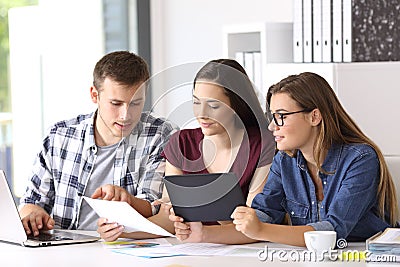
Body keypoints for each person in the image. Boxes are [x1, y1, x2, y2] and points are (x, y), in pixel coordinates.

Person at [96, 59, 276, 242]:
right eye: (196, 103)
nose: (201, 114)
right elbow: (169, 217)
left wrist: (207, 226)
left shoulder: (264, 144)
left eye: (213, 106)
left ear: (237, 105)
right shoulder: (181, 143)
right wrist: (121, 231)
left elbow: (253, 223)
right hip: (193, 251)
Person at [227, 72, 398, 247]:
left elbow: (332, 231)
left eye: (281, 116)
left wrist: (261, 230)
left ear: (314, 117)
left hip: (365, 258)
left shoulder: (360, 159)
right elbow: (263, 215)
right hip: (312, 258)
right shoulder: (284, 161)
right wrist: (202, 233)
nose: (272, 126)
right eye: (272, 116)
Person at [19, 51, 178, 236]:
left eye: (135, 103)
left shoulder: (161, 135)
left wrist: (127, 202)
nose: (125, 115)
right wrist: (34, 214)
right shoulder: (59, 136)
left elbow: (156, 207)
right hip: (64, 250)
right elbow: (31, 202)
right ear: (95, 95)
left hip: (129, 249)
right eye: (116, 103)